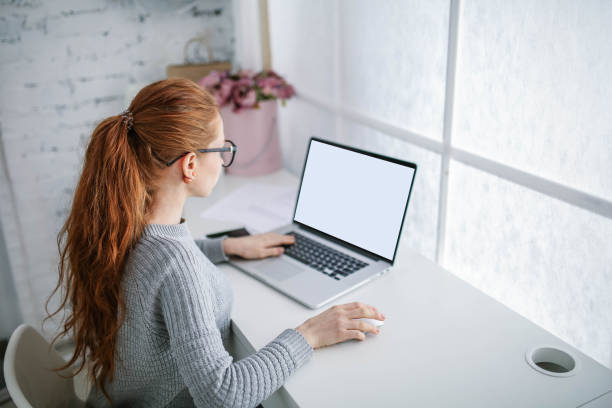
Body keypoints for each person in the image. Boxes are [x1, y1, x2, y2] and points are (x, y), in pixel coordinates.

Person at [46, 78, 385, 407]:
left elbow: (162, 265)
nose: (224, 159)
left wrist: (226, 247)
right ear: (190, 164)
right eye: (223, 149)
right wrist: (309, 334)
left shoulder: (123, 224)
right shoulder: (176, 264)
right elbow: (222, 395)